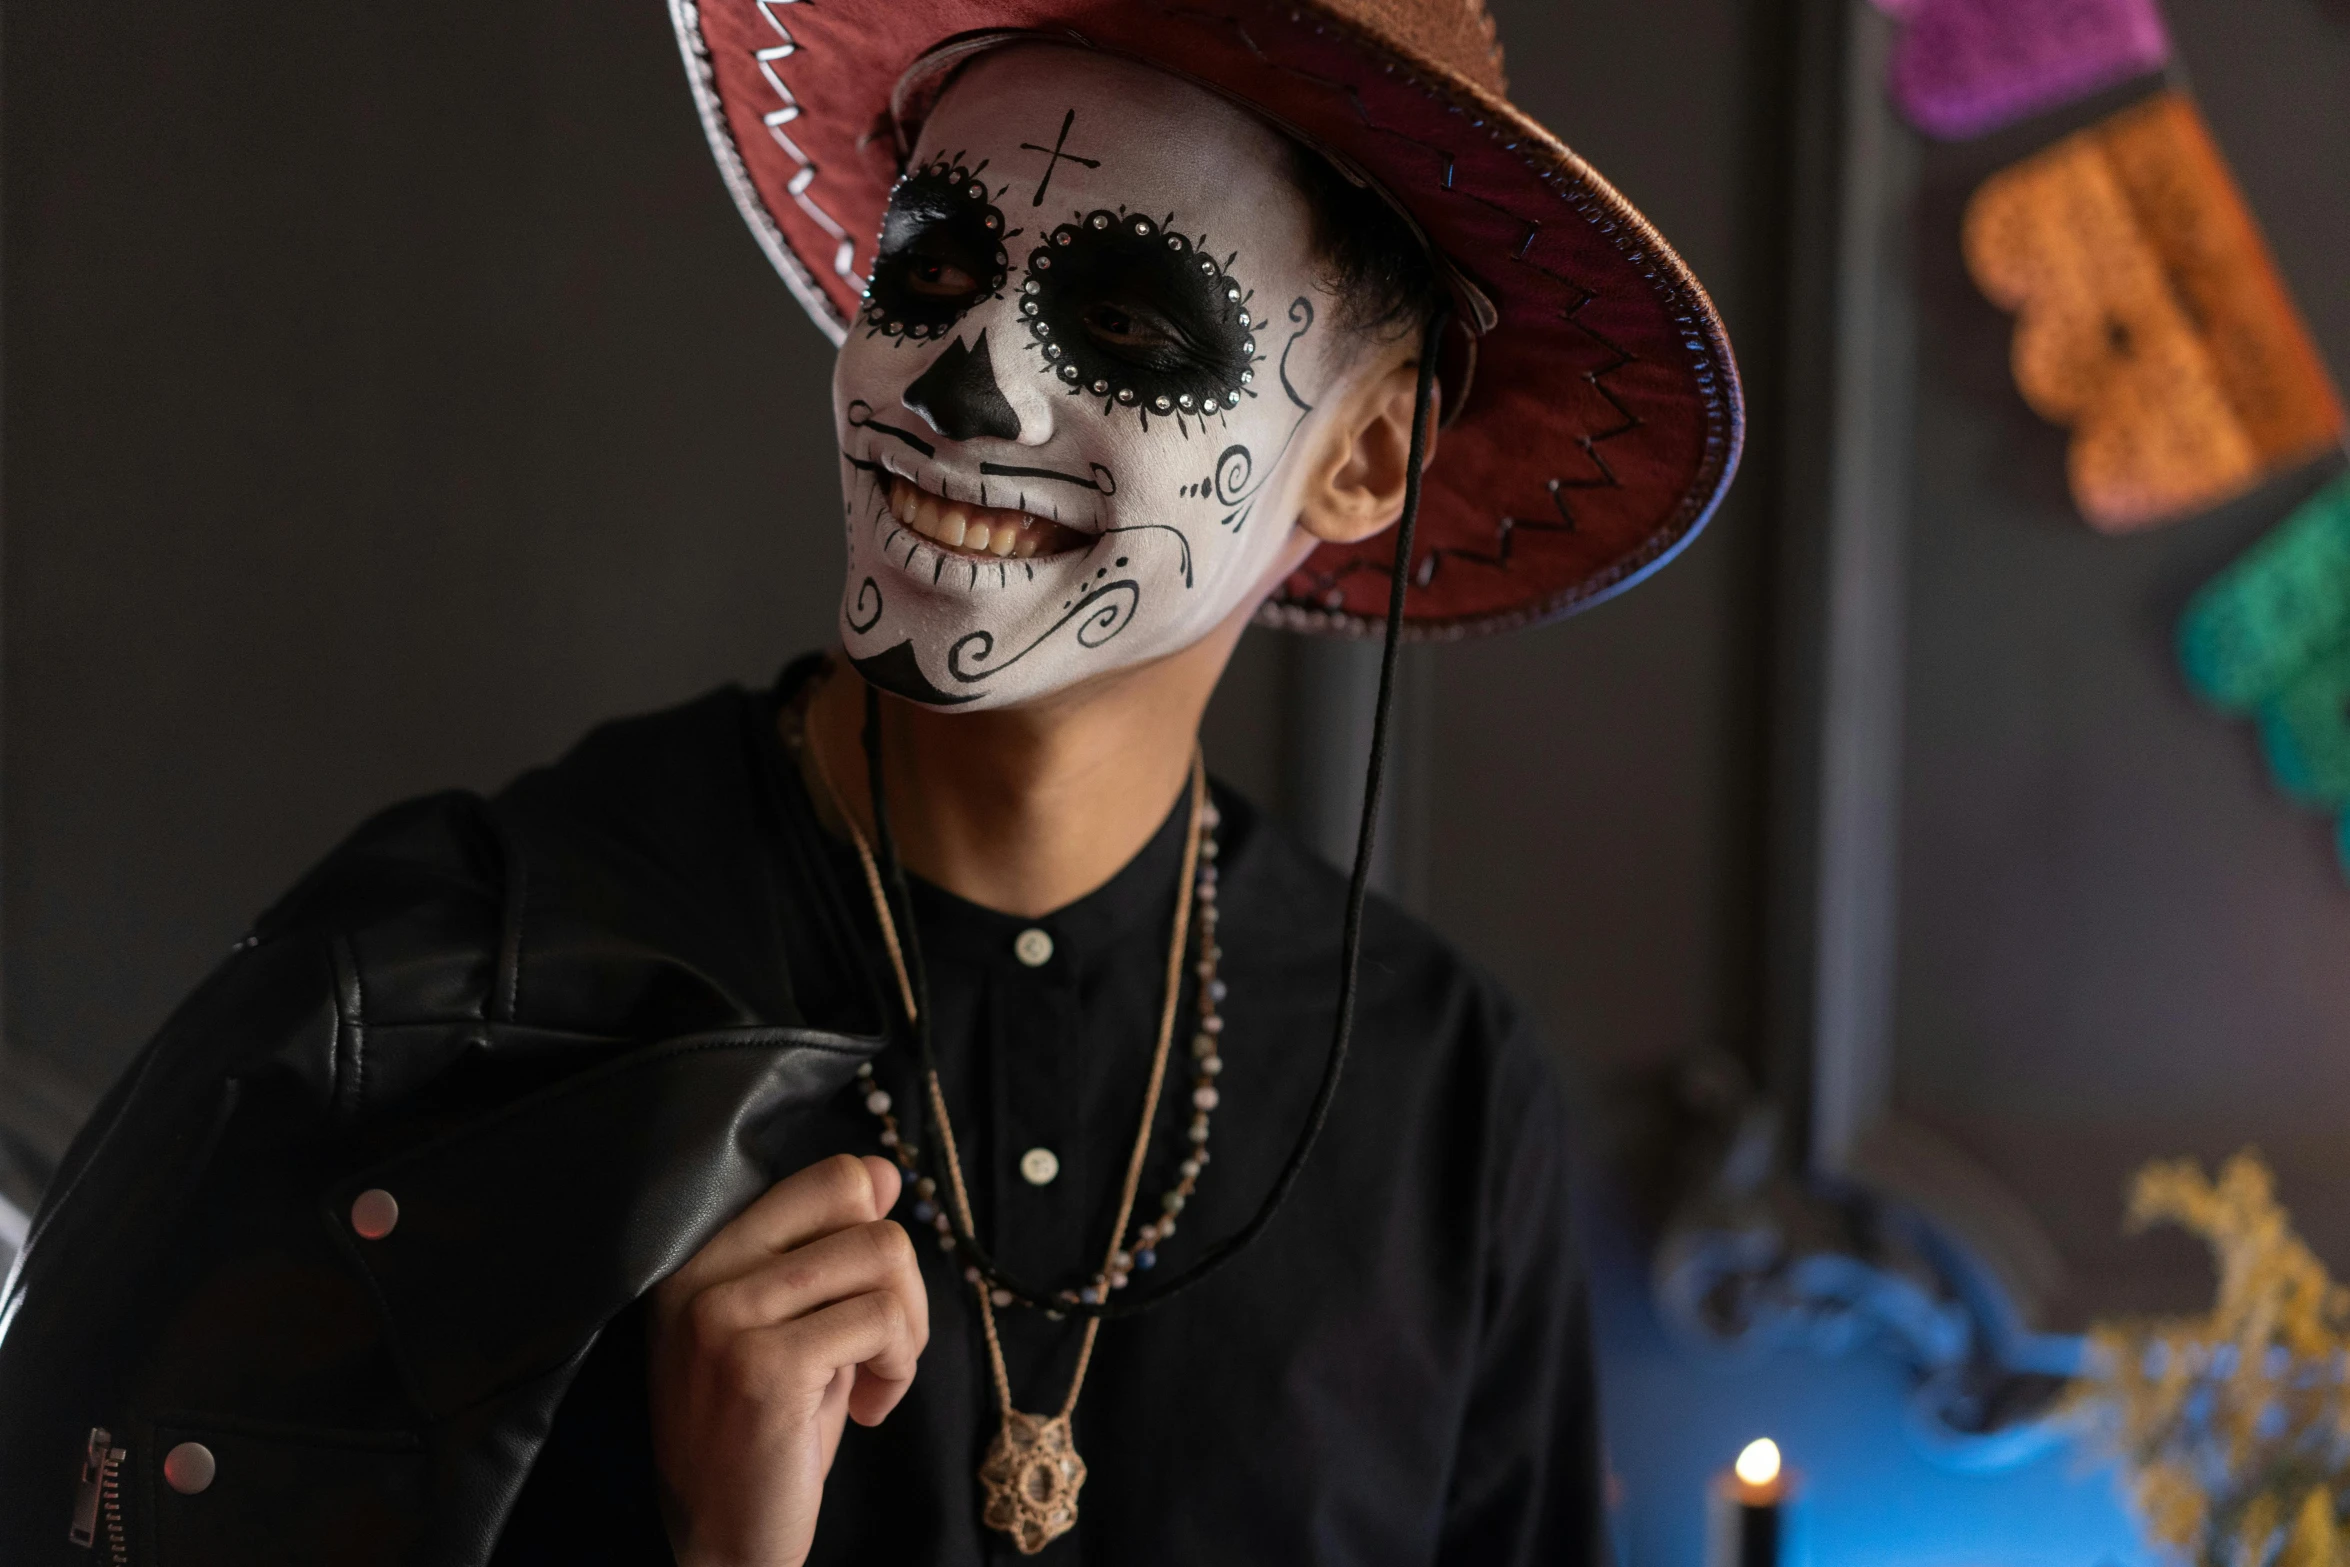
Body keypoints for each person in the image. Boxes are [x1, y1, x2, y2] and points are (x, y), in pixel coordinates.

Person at [0, 3, 1740, 1564]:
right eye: (930, 268)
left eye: (1130, 320)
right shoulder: (436, 988)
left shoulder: (1437, 1103)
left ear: (1366, 451)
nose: (967, 375)